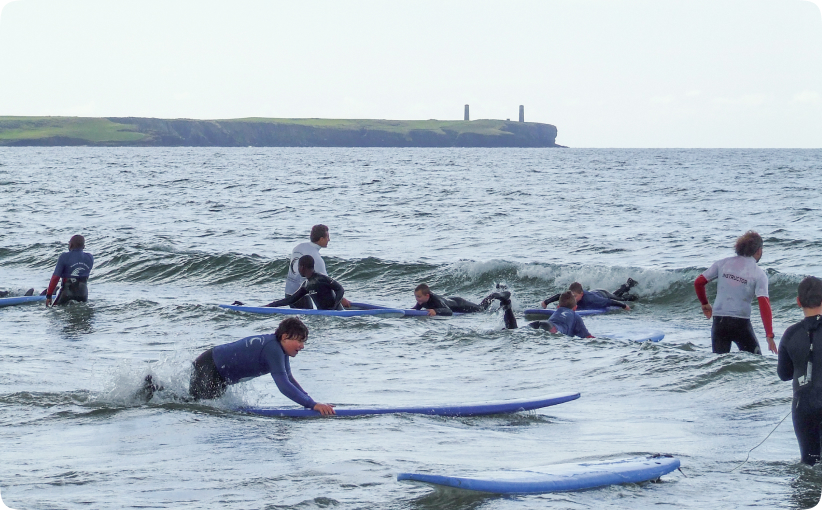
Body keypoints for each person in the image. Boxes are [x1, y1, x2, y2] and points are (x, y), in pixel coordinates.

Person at [185, 317, 334, 414]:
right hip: (208, 366)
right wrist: (312, 404)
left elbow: (289, 378)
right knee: (198, 409)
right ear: (284, 337)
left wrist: (310, 402)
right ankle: (163, 398)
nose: (302, 346)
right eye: (299, 341)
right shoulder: (273, 349)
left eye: (304, 342)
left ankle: (164, 396)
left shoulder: (280, 349)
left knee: (204, 406)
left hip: (216, 372)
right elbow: (283, 386)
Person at [694, 230, 775, 355]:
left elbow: (698, 282)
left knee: (719, 363)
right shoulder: (759, 274)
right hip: (741, 324)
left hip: (719, 321)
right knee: (754, 361)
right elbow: (764, 304)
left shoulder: (722, 263)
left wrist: (705, 303)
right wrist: (769, 335)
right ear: (759, 250)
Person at [777, 276, 822, 465]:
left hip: (803, 407)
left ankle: (808, 496)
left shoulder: (791, 334)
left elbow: (784, 374)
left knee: (809, 464)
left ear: (798, 302)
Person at [236, 255, 344, 310]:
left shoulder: (322, 278)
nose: (297, 270)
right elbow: (290, 300)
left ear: (302, 267)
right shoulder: (306, 285)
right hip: (325, 316)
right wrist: (262, 307)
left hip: (337, 314)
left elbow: (340, 289)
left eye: (298, 267)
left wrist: (335, 307)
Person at [284, 225, 350, 309]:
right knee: (305, 321)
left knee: (296, 320)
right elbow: (328, 285)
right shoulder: (316, 259)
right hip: (300, 296)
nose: (329, 240)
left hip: (288, 292)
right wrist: (341, 299)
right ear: (321, 239)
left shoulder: (298, 247)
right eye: (327, 237)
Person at [412, 283, 517, 328]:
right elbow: (417, 308)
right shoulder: (423, 300)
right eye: (416, 297)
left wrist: (436, 311)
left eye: (419, 297)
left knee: (481, 309)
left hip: (460, 304)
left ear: (427, 295)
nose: (417, 299)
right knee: (481, 308)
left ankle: (498, 294)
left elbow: (448, 311)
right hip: (451, 300)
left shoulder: (435, 301)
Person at [46, 235, 94, 306]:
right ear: (83, 246)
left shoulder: (64, 256)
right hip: (83, 293)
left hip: (67, 293)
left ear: (70, 245)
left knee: (54, 311)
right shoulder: (90, 257)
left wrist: (49, 296)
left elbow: (55, 278)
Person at [530, 291, 594, 338]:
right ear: (575, 308)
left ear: (558, 307)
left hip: (544, 324)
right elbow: (588, 337)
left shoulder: (556, 312)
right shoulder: (575, 316)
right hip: (555, 330)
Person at [540, 280, 635, 311]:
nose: (573, 298)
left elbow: (609, 302)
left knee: (620, 298)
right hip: (595, 292)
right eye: (572, 295)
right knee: (615, 294)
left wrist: (624, 306)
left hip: (602, 294)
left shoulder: (591, 299)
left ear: (581, 294)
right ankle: (626, 286)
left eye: (575, 296)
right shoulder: (571, 295)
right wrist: (546, 302)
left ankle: (629, 286)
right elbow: (559, 296)